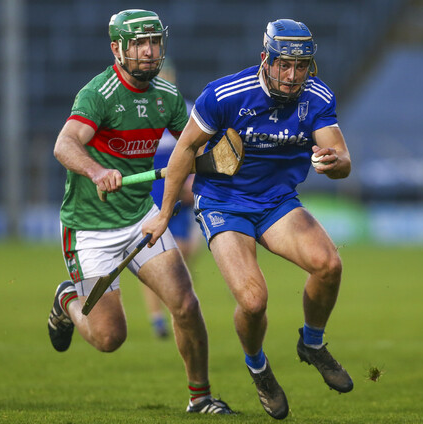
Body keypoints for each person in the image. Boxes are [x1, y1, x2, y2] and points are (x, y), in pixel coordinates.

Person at [143, 18, 353, 419]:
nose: (292, 75)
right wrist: (165, 213)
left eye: (301, 66)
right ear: (265, 60)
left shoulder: (317, 96)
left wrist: (335, 162)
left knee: (329, 264)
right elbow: (185, 149)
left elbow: (342, 159)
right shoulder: (225, 95)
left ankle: (312, 343)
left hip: (278, 203)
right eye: (284, 65)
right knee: (254, 301)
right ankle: (258, 368)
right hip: (224, 203)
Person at [46, 9, 234, 414]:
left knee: (186, 305)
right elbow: (64, 144)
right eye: (139, 44)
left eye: (154, 43)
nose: (149, 52)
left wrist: (220, 154)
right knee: (109, 337)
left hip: (139, 218)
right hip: (89, 229)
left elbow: (196, 146)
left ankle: (200, 398)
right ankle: (67, 300)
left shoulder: (167, 97)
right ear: (117, 49)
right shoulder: (98, 94)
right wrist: (97, 171)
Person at [141, 62, 201, 339]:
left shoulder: (187, 111)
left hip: (180, 190)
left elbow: (199, 149)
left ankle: (177, 302)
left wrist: (191, 181)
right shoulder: (142, 114)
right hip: (152, 190)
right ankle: (157, 319)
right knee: (154, 255)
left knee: (185, 251)